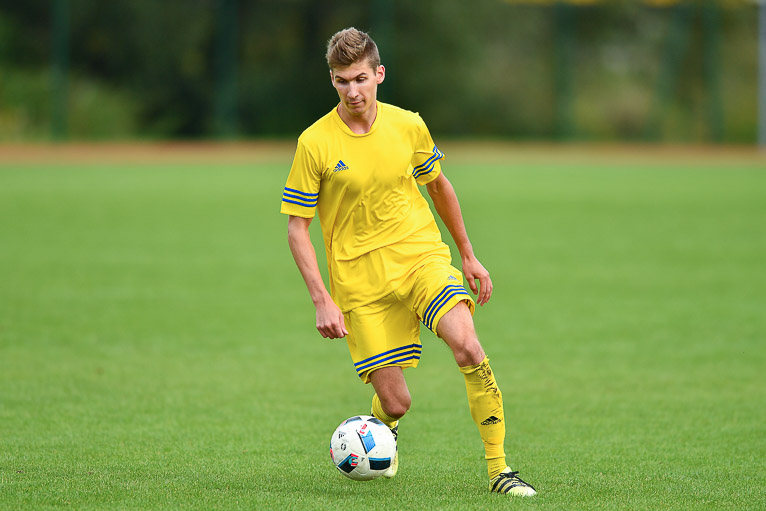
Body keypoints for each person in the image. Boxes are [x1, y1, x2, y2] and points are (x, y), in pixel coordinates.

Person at [280, 27, 536, 497]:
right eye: (341, 81)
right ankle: (385, 428)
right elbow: (298, 228)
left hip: (420, 259)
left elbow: (438, 185)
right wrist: (321, 299)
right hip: (360, 284)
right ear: (332, 80)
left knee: (468, 348)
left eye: (360, 78)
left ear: (379, 74)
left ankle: (500, 471)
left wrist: (468, 254)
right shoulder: (314, 142)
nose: (352, 91)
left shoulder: (408, 125)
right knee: (397, 403)